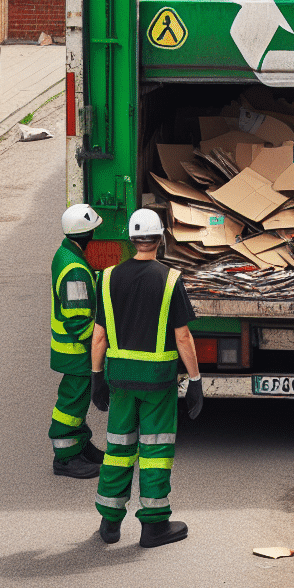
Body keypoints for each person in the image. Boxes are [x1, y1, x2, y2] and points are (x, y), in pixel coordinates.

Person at [91, 209, 202, 548]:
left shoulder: (107, 278)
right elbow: (182, 338)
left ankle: (110, 523)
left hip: (120, 379)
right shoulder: (170, 279)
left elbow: (99, 336)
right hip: (157, 382)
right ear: (160, 239)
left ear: (130, 239)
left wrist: (96, 376)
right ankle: (154, 526)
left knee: (118, 448)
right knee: (155, 450)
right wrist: (195, 380)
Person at [49, 204, 105, 479]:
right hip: (76, 351)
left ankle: (82, 447)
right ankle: (66, 457)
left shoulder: (69, 255)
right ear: (86, 235)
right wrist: (98, 348)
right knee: (71, 404)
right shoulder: (73, 269)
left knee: (79, 400)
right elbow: (78, 320)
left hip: (73, 350)